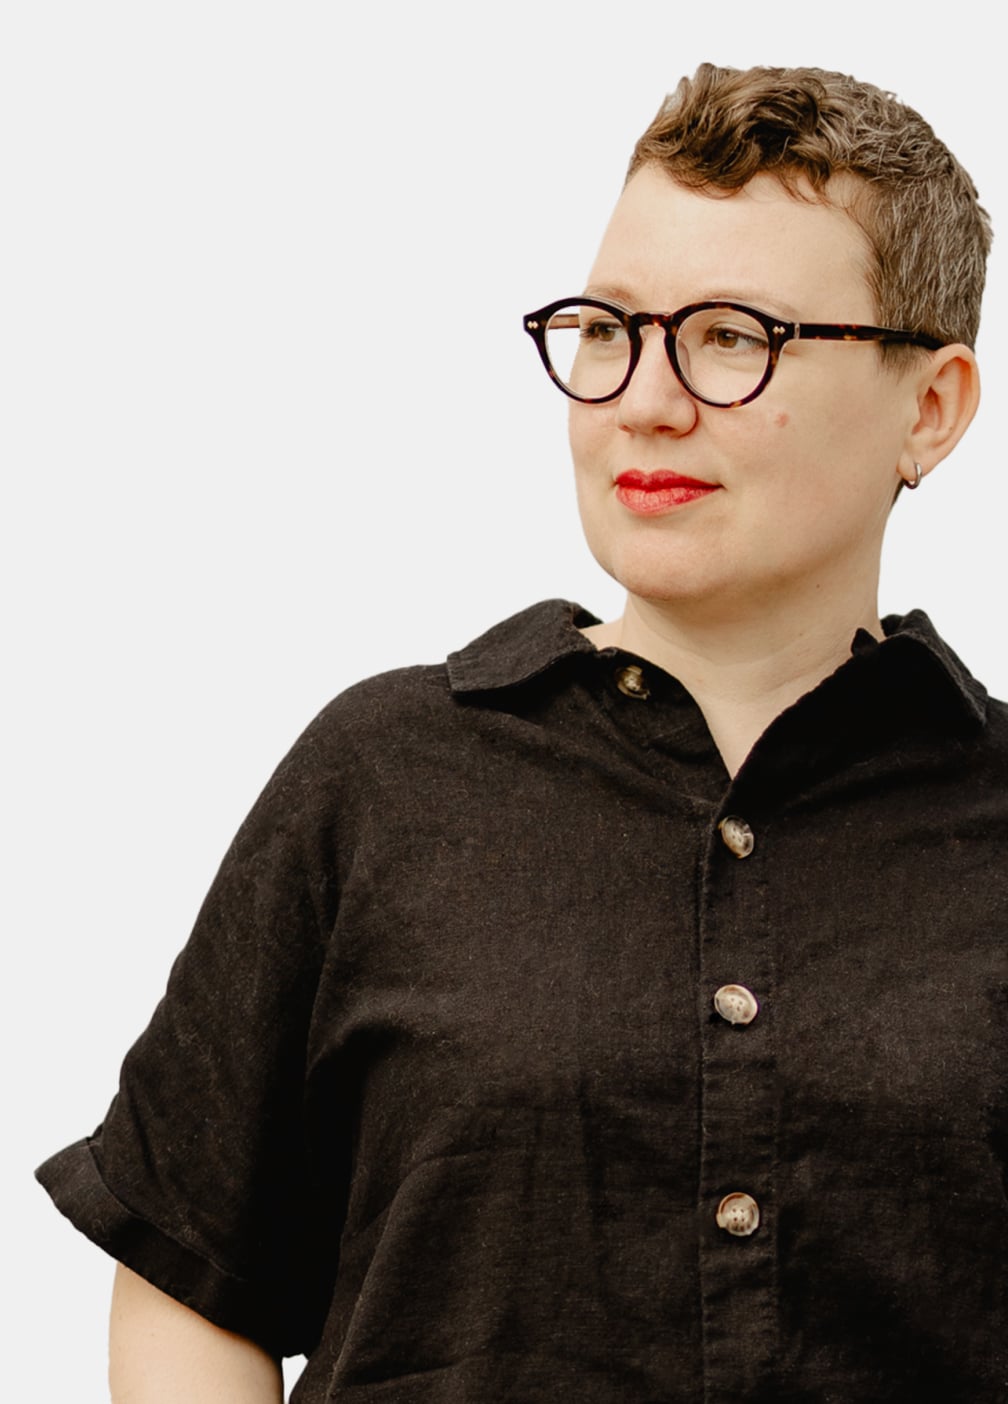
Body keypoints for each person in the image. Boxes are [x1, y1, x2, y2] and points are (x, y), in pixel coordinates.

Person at [37, 62, 1005, 1402]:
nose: (644, 399)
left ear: (930, 408)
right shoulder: (383, 778)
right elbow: (191, 1278)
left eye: (734, 337)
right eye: (608, 329)